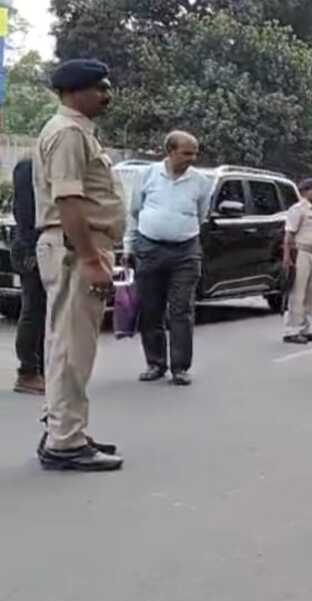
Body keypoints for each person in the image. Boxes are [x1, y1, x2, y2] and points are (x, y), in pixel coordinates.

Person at [33, 59, 125, 471]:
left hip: (75, 246)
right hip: (75, 248)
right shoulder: (68, 133)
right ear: (72, 92)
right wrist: (90, 258)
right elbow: (68, 201)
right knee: (72, 349)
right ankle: (65, 442)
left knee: (67, 346)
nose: (106, 95)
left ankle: (63, 428)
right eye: (98, 88)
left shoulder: (78, 131)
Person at [124, 130, 210, 386]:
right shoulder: (148, 175)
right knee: (151, 308)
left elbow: (200, 214)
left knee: (181, 309)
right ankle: (155, 363)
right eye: (186, 153)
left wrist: (180, 229)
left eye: (195, 153)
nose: (192, 158)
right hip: (149, 248)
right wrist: (129, 246)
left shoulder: (200, 181)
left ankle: (180, 367)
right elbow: (134, 211)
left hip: (186, 251)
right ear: (170, 151)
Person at [11, 158, 46, 395]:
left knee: (45, 311)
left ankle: (42, 368)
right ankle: (28, 371)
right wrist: (33, 249)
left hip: (40, 245)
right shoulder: (30, 167)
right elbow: (26, 214)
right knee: (33, 309)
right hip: (31, 247)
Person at [281, 178, 312, 344]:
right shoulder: (298, 209)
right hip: (301, 253)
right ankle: (292, 330)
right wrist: (287, 257)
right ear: (305, 192)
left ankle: (305, 329)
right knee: (297, 292)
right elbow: (289, 235)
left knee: (311, 293)